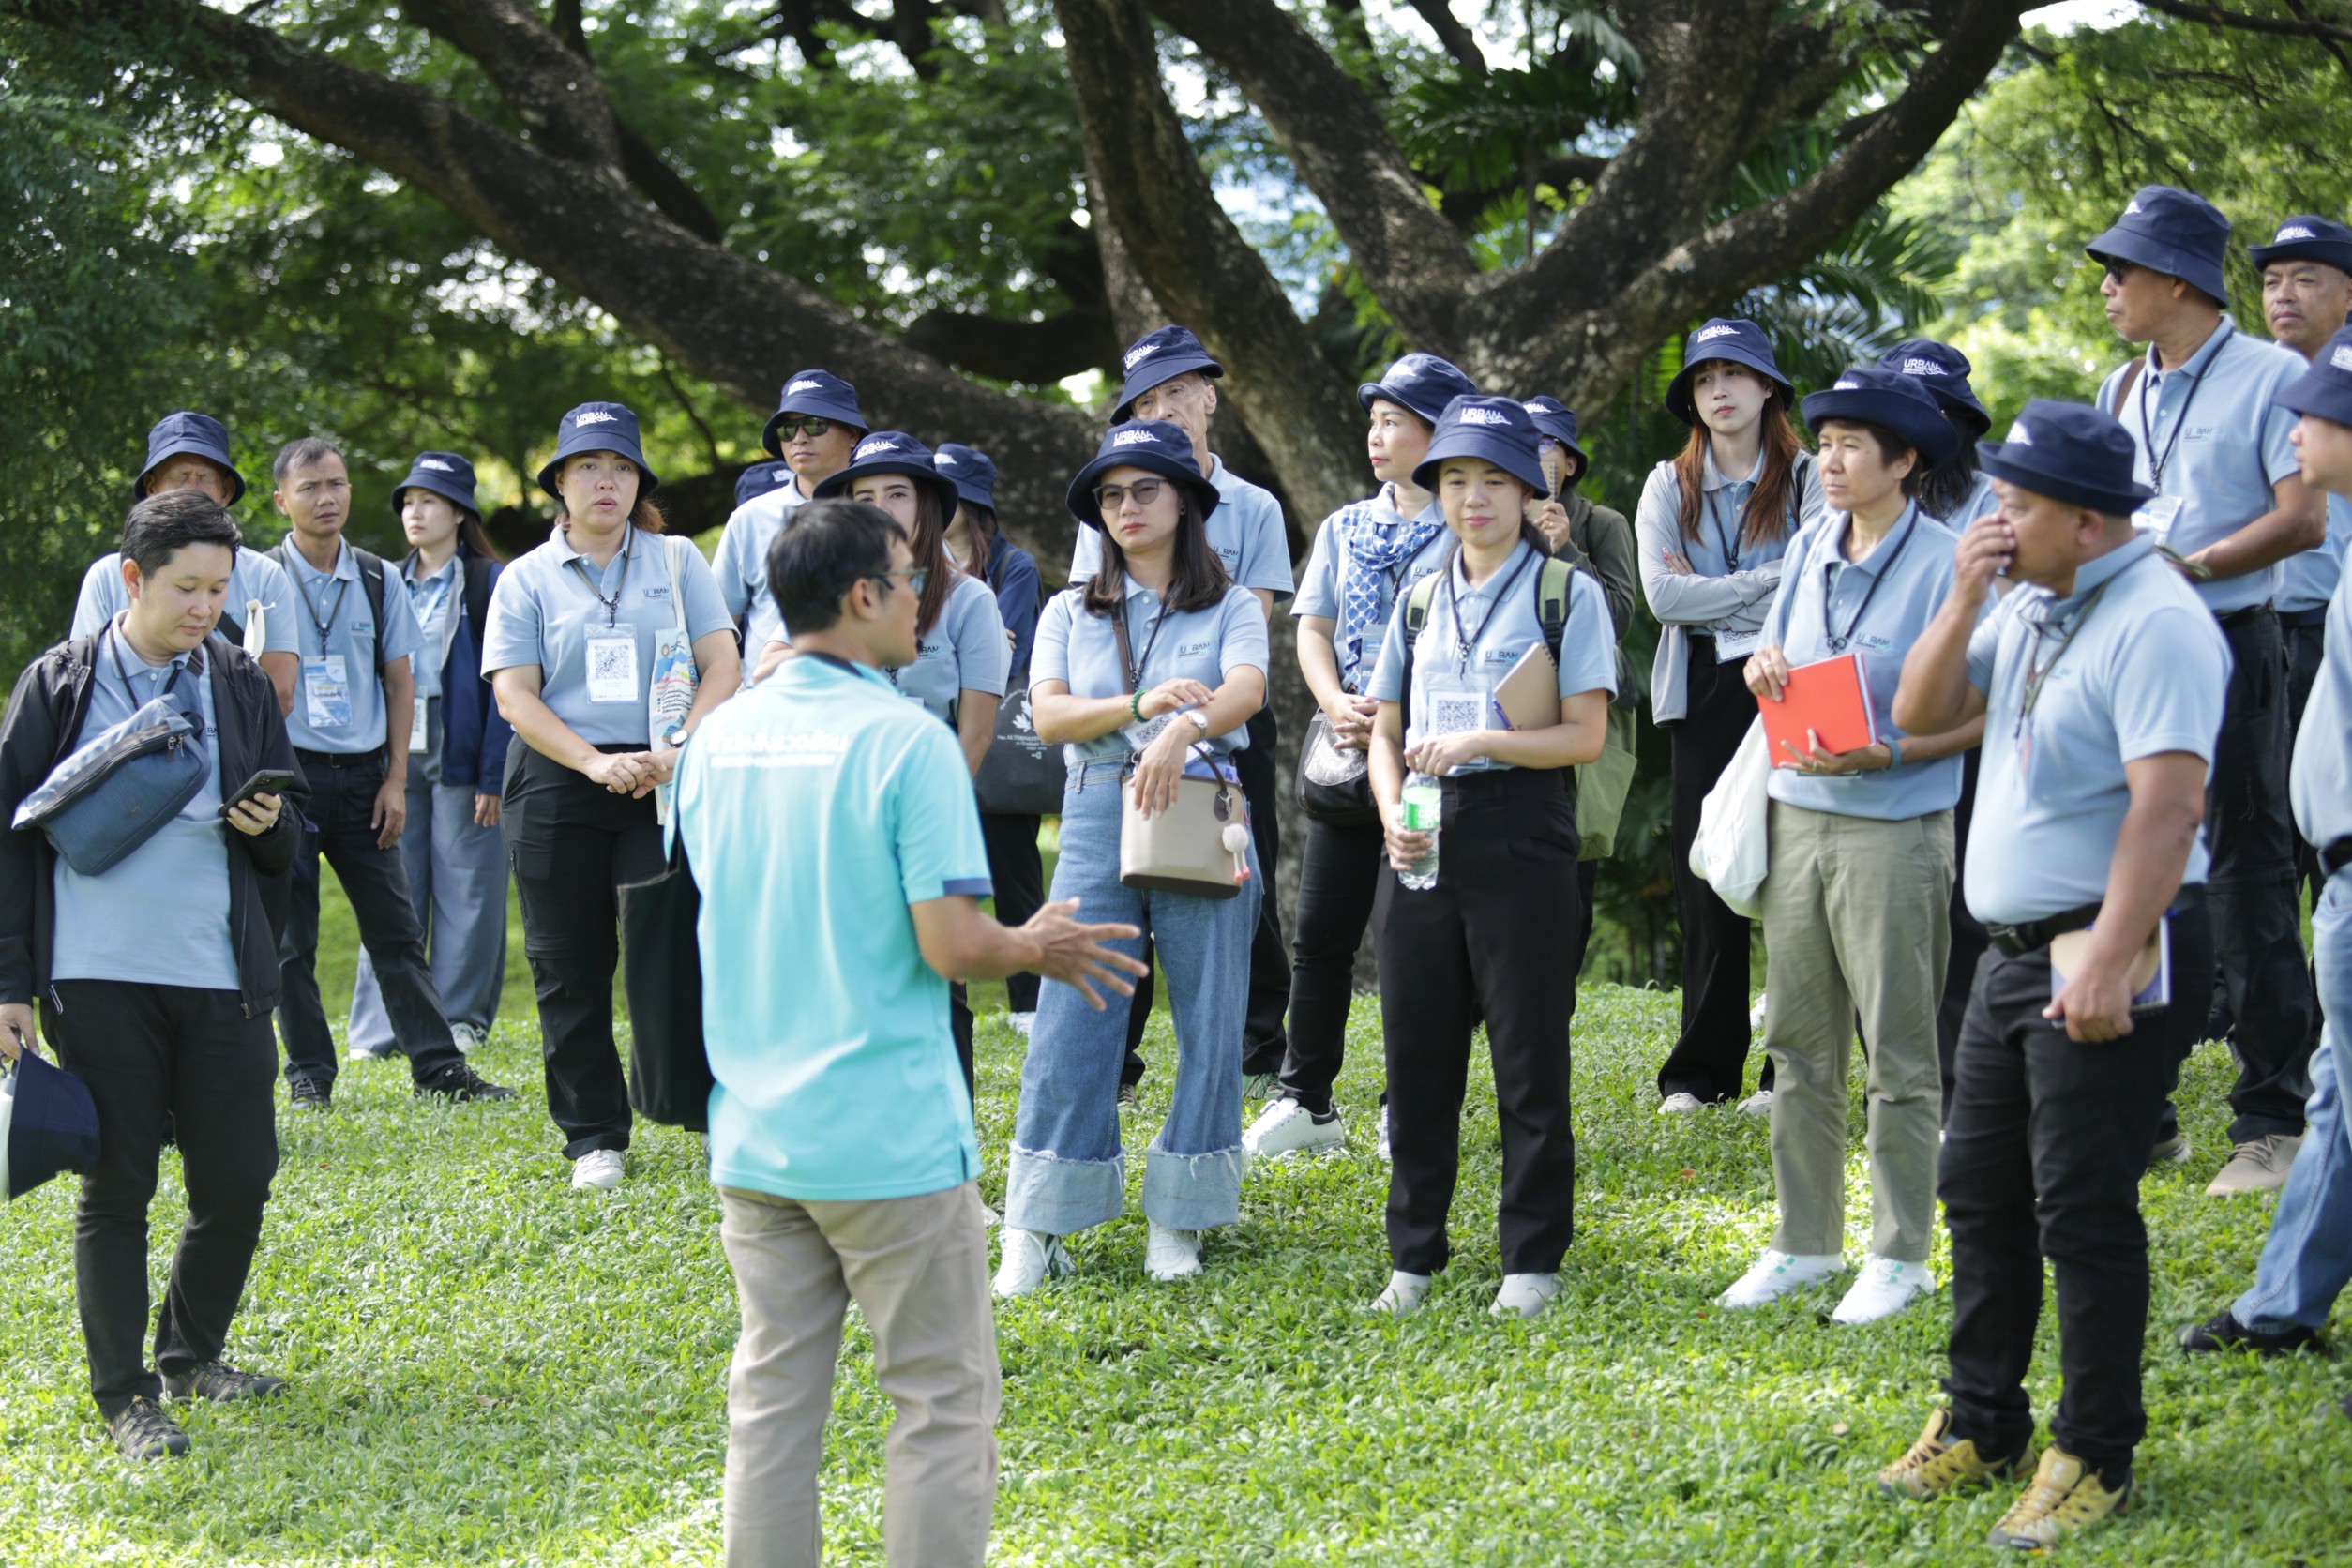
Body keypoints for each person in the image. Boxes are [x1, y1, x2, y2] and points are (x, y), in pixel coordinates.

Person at [678, 498, 1140, 1568]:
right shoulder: (907, 741)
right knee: (941, 1400)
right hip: (888, 1137)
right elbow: (955, 945)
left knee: (771, 1402)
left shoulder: (717, 738)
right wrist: (1035, 945)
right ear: (861, 597)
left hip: (754, 1132)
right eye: (909, 578)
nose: (924, 600)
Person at [1881, 400, 2225, 1550]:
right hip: (2014, 954)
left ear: (2087, 522)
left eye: (2017, 505)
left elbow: (2169, 808)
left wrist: (2113, 960)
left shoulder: (2160, 622)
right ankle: (1984, 1419)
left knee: (2080, 1204)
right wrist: (1963, 596)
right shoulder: (2028, 597)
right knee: (1979, 1184)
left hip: (2107, 945)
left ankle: (2095, 1450)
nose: (1994, 519)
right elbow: (1920, 710)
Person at [0, 489, 308, 1460]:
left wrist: (270, 828)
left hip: (220, 972)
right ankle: (126, 1396)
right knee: (117, 1186)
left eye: (219, 589)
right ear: (132, 579)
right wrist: (9, 983)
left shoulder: (238, 681)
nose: (205, 607)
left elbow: (288, 835)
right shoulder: (59, 684)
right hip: (96, 977)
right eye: (186, 588)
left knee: (240, 1177)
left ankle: (191, 1353)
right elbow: (9, 837)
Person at [1721, 370, 1979, 1325]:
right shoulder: (1808, 546)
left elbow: (1987, 708)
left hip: (1895, 826)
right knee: (1797, 1043)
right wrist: (1762, 664)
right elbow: (1776, 654)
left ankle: (1901, 1253)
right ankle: (1805, 1241)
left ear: (1904, 462)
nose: (1827, 461)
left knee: (1899, 1050)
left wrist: (1893, 750)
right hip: (1796, 813)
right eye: (1823, 443)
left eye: (1850, 447)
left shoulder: (1951, 563)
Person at [2088, 185, 2327, 1192]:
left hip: (2233, 641)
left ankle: (2273, 1119)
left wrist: (2195, 564)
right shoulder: (2116, 389)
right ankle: (2138, 1113)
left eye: (2123, 270)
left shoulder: (2273, 375)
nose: (2108, 287)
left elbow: (2304, 517)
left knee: (2247, 874)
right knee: (2122, 871)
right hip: (2130, 652)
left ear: (2179, 280)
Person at [994, 419, 1268, 1295]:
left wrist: (1185, 727)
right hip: (1093, 806)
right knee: (1073, 1011)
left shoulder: (1230, 603)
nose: (1126, 508)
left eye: (1145, 489)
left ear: (1184, 501)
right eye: (1111, 495)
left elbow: (1247, 689)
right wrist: (1144, 704)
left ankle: (1180, 1212)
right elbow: (1049, 716)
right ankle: (1040, 1222)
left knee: (1211, 1013)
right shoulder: (1068, 608)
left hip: (1202, 803)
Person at [1363, 395, 1616, 1320]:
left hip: (1522, 825)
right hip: (1421, 830)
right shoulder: (1419, 599)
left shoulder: (1567, 594)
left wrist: (1483, 743)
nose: (1473, 498)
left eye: (1494, 481)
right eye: (1455, 480)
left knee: (1527, 1051)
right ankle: (1413, 1257)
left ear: (1529, 491)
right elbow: (1384, 728)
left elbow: (1584, 735)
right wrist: (1390, 813)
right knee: (1416, 1051)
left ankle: (1531, 1258)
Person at [483, 402, 740, 1190]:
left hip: (663, 776)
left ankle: (705, 1110)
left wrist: (679, 747)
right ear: (559, 482)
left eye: (622, 467)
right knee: (568, 963)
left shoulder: (677, 561)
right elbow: (515, 697)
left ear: (639, 483)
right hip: (557, 777)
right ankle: (594, 1134)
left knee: (673, 950)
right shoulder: (525, 577)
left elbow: (724, 666)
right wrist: (593, 763)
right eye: (589, 467)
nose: (607, 481)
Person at [2177, 324, 2352, 1372]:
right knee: (2338, 1098)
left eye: (2313, 417)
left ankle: (2281, 1305)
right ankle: (2283, 1306)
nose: (2293, 432)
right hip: (2338, 878)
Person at [1245, 352, 1470, 1163]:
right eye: (1373, 420)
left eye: (1394, 421)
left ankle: (1407, 1106)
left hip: (1429, 758)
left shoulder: (1470, 527)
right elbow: (1312, 627)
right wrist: (1336, 702)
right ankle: (1306, 1100)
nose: (1376, 435)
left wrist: (1399, 716)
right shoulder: (1344, 527)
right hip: (1346, 755)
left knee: (1417, 939)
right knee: (1320, 934)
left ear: (1437, 434)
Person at [751, 431, 1009, 1090]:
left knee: (939, 979)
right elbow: (768, 669)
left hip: (929, 806)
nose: (883, 509)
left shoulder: (970, 600)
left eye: (898, 494)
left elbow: (976, 733)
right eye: (865, 498)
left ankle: (951, 1140)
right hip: (834, 808)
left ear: (929, 506)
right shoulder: (828, 591)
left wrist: (925, 817)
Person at [1076, 326, 1295, 1098]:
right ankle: (1118, 1062)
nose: (1163, 408)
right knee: (1123, 882)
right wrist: (1142, 705)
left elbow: (1252, 621)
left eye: (1176, 391)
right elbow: (1092, 610)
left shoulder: (1255, 505)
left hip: (1226, 717)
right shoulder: (1110, 499)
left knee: (1238, 872)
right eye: (1145, 401)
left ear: (1209, 396)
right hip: (1127, 722)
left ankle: (1258, 1050)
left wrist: (1197, 707)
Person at [266, 438, 511, 1110]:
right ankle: (309, 1074)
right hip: (289, 780)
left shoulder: (378, 577)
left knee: (396, 930)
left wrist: (395, 778)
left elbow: (400, 683)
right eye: (310, 487)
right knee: (291, 938)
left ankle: (439, 1067)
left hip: (365, 777)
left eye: (337, 484)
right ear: (282, 500)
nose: (327, 498)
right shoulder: (259, 578)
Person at [1637, 318, 1822, 1114]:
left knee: (1795, 871)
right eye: (1704, 378)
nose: (1719, 390)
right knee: (1706, 872)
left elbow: (1820, 579)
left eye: (1735, 374)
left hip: (1791, 678)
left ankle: (1790, 1072)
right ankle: (1700, 1074)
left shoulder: (1810, 476)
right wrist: (1767, 577)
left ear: (1768, 387)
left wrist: (1716, 589)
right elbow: (1663, 597)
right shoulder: (1666, 484)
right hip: (1704, 686)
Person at [345, 453, 513, 1063]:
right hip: (394, 743)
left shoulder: (491, 581)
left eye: (430, 501)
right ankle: (380, 1027)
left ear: (460, 512)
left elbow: (508, 684)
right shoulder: (381, 579)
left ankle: (460, 1019)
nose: (414, 513)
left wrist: (495, 772)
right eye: (408, 502)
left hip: (462, 741)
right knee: (392, 886)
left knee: (470, 885)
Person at [1880, 339, 2000, 1116]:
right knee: (1894, 915)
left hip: (1974, 728)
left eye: (1938, 417)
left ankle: (1967, 1087)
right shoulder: (1862, 506)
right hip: (1878, 735)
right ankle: (1903, 1083)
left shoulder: (1995, 504)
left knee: (1968, 913)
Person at [2253, 216, 2352, 914]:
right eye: (2272, 281)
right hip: (2262, 630)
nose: (2284, 294)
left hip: (2330, 631)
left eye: (2306, 278)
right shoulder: (2250, 380)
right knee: (2264, 828)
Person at [73, 412, 299, 715]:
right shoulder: (107, 576)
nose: (192, 488)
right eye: (180, 476)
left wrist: (220, 737)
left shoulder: (264, 575)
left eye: (204, 477)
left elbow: (279, 694)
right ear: (152, 489)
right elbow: (86, 682)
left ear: (225, 492)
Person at [1522, 394, 1637, 983]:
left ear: (1570, 462)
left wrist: (1566, 549)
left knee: (1570, 872)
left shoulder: (1602, 524)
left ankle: (1554, 1004)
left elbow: (1617, 620)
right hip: (1510, 717)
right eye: (1525, 442)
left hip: (1578, 717)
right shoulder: (1491, 520)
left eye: (1548, 444)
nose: (1536, 455)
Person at [937, 443, 1048, 1037]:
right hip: (938, 736)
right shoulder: (913, 563)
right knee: (943, 876)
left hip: (998, 743)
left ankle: (1029, 1004)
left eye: (948, 494)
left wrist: (950, 650)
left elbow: (1007, 654)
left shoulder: (1014, 566)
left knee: (1014, 872)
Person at [712, 369, 867, 687]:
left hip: (862, 695)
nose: (799, 438)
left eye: (815, 424)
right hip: (767, 699)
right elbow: (719, 624)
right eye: (787, 428)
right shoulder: (750, 517)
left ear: (852, 434)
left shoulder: (881, 513)